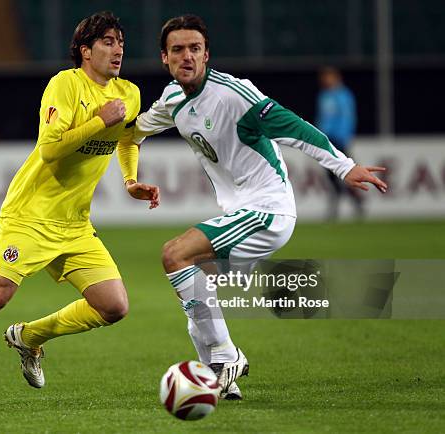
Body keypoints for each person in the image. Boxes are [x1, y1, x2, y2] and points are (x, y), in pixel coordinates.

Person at [0, 11, 159, 413]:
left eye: (121, 41)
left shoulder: (129, 93)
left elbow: (128, 139)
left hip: (74, 223)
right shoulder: (65, 85)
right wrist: (96, 121)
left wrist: (129, 180)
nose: (118, 48)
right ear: (85, 51)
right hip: (30, 215)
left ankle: (29, 337)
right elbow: (51, 148)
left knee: (114, 306)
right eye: (107, 41)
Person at [127, 15, 387, 400]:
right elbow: (134, 130)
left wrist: (344, 165)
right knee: (196, 294)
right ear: (164, 58)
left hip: (268, 210)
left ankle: (228, 357)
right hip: (239, 212)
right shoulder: (173, 99)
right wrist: (99, 138)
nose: (187, 56)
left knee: (174, 254)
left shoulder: (234, 93)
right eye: (178, 49)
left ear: (207, 54)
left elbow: (294, 127)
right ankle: (220, 381)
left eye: (195, 49)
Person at [316, 66, 363, 219]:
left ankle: (355, 201)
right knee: (331, 176)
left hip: (338, 140)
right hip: (326, 141)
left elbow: (348, 117)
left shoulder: (343, 95)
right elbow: (322, 118)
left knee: (345, 172)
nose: (325, 80)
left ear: (336, 77)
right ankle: (340, 204)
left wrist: (343, 137)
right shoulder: (323, 95)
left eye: (328, 76)